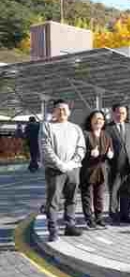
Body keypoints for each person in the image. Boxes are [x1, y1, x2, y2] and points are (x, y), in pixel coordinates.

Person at [40, 100, 85, 241]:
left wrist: (72, 163)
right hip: (54, 170)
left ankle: (70, 226)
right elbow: (45, 147)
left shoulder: (75, 128)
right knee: (53, 200)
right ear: (54, 112)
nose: (62, 111)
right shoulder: (47, 126)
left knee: (72, 199)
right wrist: (59, 163)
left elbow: (81, 147)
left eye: (65, 109)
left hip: (73, 169)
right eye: (59, 109)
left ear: (69, 112)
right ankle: (53, 230)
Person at [80, 110, 113, 229]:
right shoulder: (85, 134)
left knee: (99, 196)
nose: (98, 120)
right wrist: (89, 153)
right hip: (88, 170)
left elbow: (111, 150)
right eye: (96, 118)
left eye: (101, 119)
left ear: (104, 122)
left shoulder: (106, 135)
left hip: (102, 169)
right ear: (91, 120)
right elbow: (79, 152)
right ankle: (89, 220)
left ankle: (99, 218)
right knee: (87, 196)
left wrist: (110, 154)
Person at [106, 103, 130, 226]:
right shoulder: (108, 128)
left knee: (127, 191)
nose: (120, 115)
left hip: (129, 166)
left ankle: (125, 215)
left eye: (123, 113)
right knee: (114, 192)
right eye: (118, 112)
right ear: (113, 113)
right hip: (114, 166)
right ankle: (114, 216)